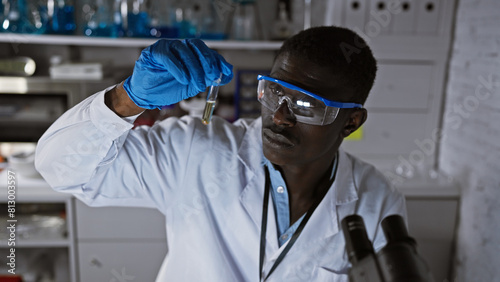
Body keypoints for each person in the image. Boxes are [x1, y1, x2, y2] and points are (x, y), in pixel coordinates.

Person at [35, 26, 406, 281]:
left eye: (306, 105)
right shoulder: (195, 150)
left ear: (351, 122)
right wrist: (127, 99)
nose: (279, 116)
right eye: (275, 91)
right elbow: (61, 169)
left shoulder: (376, 199)